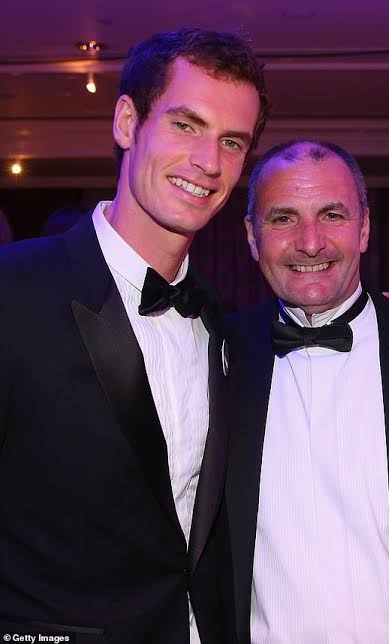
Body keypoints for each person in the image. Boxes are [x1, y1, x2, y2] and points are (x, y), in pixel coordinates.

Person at [0, 28, 268, 644]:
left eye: (232, 142)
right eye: (186, 125)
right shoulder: (13, 291)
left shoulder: (220, 321)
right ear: (127, 122)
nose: (209, 162)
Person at [225, 140, 389, 644]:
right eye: (283, 219)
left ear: (363, 229)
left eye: (332, 215)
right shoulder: (216, 356)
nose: (310, 243)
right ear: (252, 237)